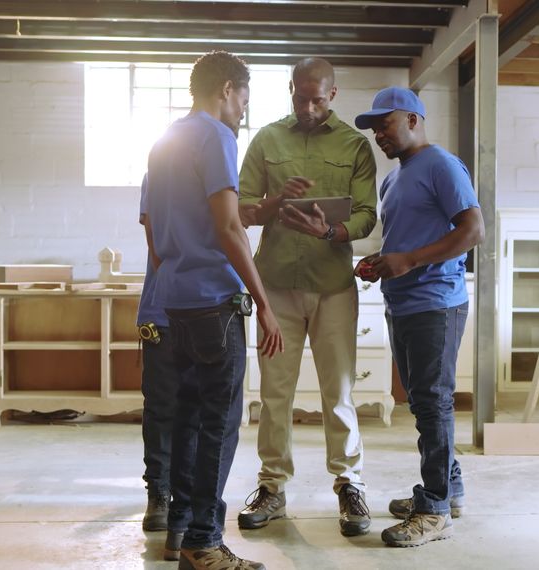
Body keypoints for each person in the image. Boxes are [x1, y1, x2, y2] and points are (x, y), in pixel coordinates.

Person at [145, 50, 284, 570]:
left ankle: (179, 533)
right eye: (244, 99)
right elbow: (229, 228)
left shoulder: (165, 143)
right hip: (214, 306)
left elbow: (156, 237)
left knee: (184, 420)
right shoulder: (216, 137)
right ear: (227, 88)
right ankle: (205, 542)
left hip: (174, 301)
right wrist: (265, 305)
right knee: (219, 424)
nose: (243, 111)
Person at [236, 57, 378, 537]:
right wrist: (273, 204)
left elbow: (366, 214)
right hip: (275, 285)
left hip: (333, 286)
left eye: (319, 99)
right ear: (290, 90)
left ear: (333, 95)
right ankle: (272, 486)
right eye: (301, 97)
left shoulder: (355, 146)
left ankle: (349, 484)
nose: (310, 107)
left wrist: (332, 230)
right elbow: (240, 211)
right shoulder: (266, 140)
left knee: (338, 393)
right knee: (275, 393)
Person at [353, 86, 484, 548]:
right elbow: (406, 243)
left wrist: (408, 261)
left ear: (411, 119)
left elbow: (473, 230)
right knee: (424, 404)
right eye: (373, 130)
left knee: (433, 404)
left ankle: (434, 509)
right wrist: (381, 262)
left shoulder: (442, 165)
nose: (378, 136)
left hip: (436, 302)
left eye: (383, 125)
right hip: (403, 302)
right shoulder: (396, 178)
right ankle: (450, 492)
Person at [136, 172, 177, 547]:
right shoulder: (159, 174)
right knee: (161, 408)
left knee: (201, 413)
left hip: (211, 311)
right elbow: (158, 250)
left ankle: (189, 497)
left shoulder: (227, 171)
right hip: (164, 311)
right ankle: (159, 494)